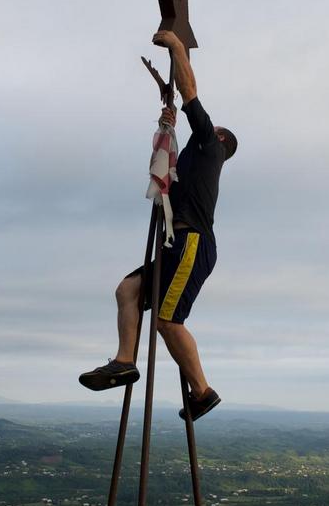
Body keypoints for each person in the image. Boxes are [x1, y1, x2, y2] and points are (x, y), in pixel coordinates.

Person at [79, 29, 237, 421]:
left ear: (219, 138)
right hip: (175, 243)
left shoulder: (211, 146)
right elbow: (170, 171)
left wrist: (177, 46)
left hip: (192, 242)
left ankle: (203, 392)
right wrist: (168, 124)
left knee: (167, 321)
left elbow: (190, 91)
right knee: (128, 289)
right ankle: (124, 362)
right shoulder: (196, 161)